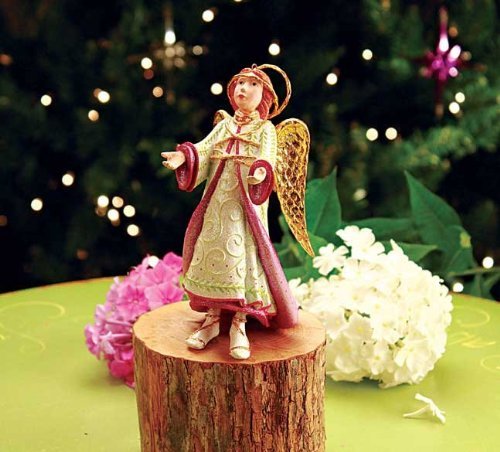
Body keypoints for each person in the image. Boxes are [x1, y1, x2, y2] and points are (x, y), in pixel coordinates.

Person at [161, 64, 301, 359]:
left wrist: (261, 173)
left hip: (244, 203)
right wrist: (183, 157)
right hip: (217, 202)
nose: (243, 89)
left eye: (252, 84)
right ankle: (212, 321)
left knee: (240, 255)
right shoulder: (224, 125)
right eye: (239, 83)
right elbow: (204, 148)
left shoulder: (265, 129)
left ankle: (240, 322)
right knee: (211, 250)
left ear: (264, 94)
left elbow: (268, 158)